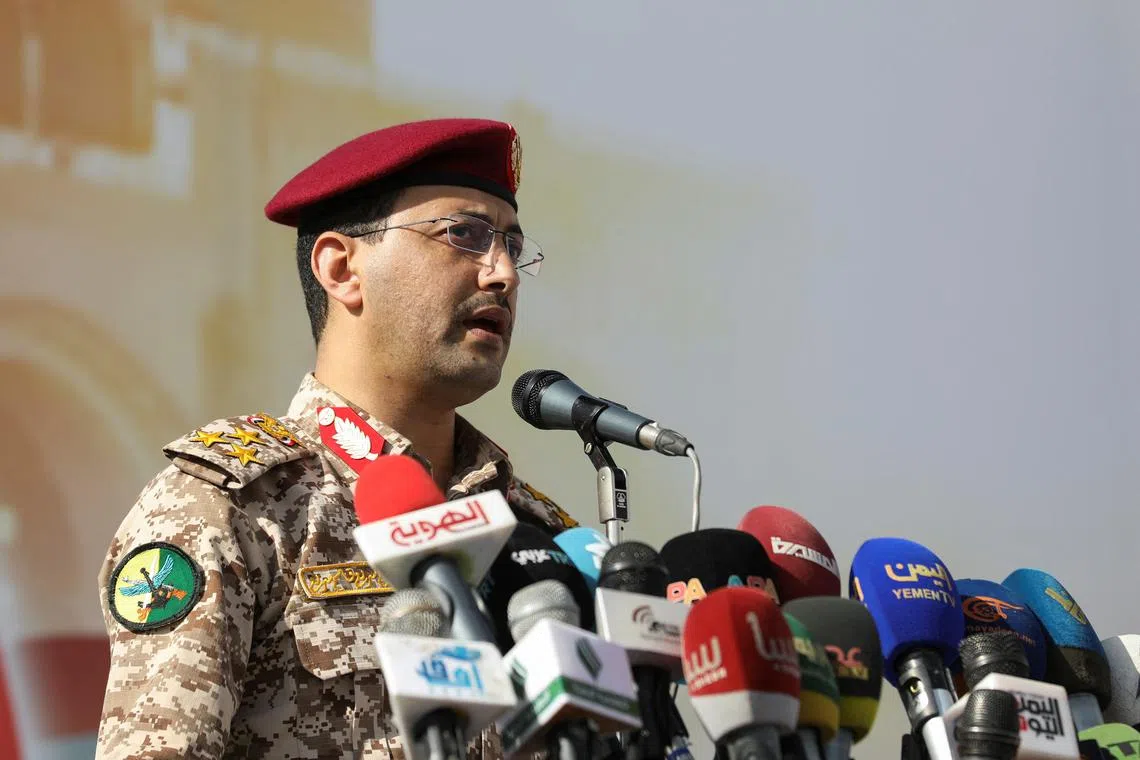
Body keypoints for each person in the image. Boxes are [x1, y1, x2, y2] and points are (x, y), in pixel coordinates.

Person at [95, 118, 578, 759]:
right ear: (341, 267)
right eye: (465, 235)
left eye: (512, 247)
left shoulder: (534, 537)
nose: (502, 274)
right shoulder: (238, 507)